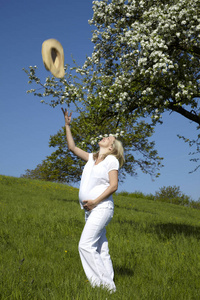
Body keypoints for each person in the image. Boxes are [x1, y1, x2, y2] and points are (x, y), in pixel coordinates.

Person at [61, 108, 125, 293]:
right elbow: (72, 148)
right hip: (90, 210)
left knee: (85, 245)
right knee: (100, 248)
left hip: (101, 207)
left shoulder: (110, 161)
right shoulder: (91, 158)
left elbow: (113, 186)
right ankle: (109, 283)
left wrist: (95, 201)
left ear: (111, 148)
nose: (104, 138)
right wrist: (67, 125)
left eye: (108, 139)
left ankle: (104, 286)